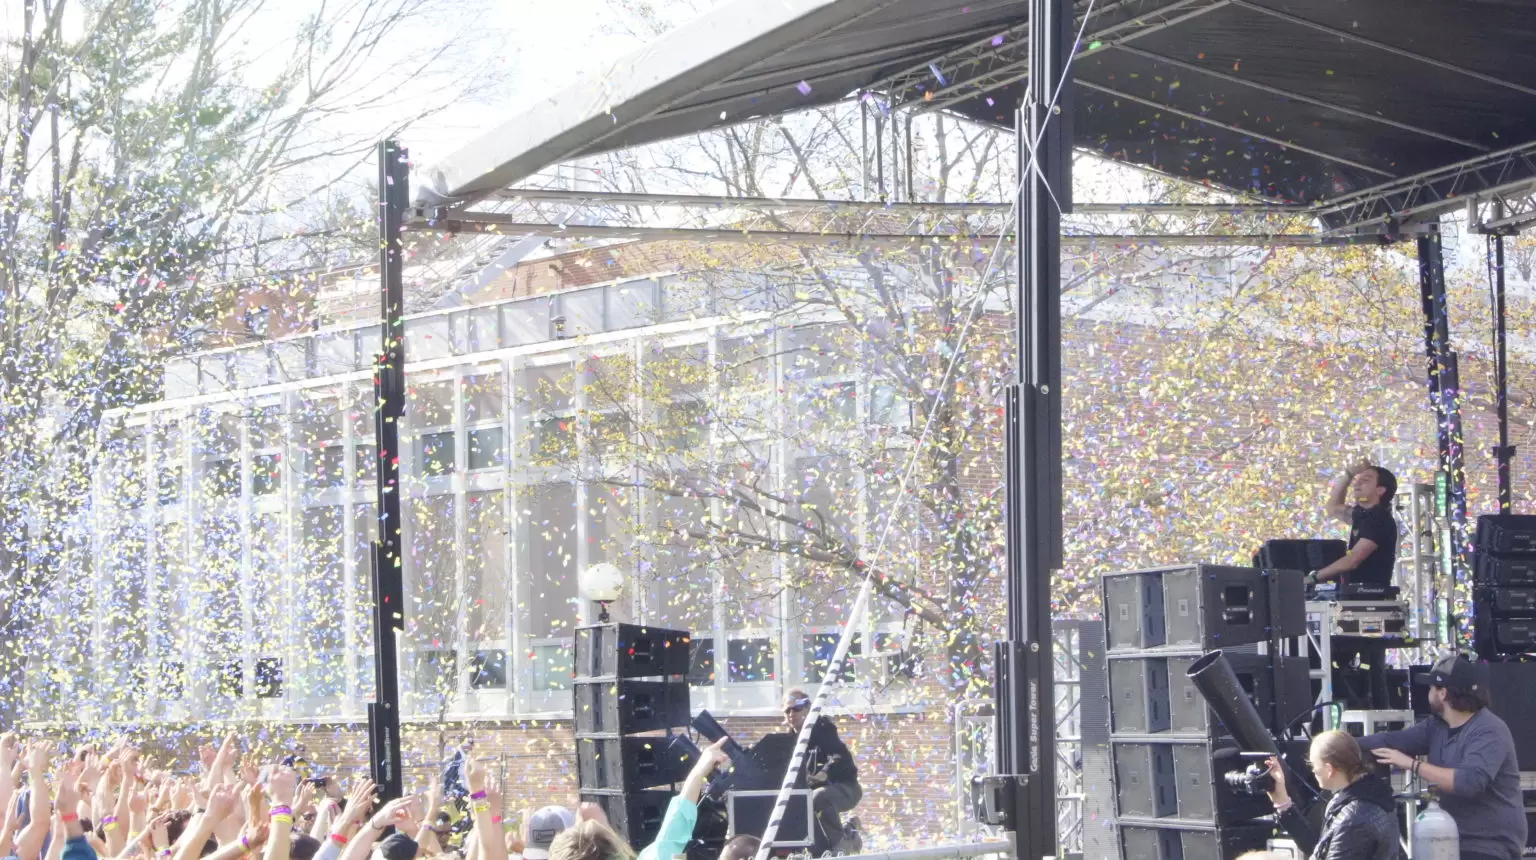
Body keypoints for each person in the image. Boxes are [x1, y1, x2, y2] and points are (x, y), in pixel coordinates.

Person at [1358, 653, 1525, 860]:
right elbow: (1392, 740)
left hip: (1488, 844)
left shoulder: (1489, 730)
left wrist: (1412, 764)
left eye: (1431, 688)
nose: (1428, 692)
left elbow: (1468, 782)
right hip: (1448, 839)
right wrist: (1341, 743)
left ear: (1442, 693)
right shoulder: (1436, 726)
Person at [1317, 461, 1399, 707]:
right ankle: (1356, 710)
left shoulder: (1380, 520)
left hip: (1372, 603)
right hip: (1356, 600)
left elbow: (1353, 560)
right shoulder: (1361, 516)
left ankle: (1368, 714)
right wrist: (1347, 474)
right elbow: (1332, 508)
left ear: (1381, 490)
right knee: (1338, 658)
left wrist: (1314, 576)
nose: (1358, 483)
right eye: (1358, 479)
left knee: (1366, 664)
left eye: (1366, 480)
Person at [1263, 730, 1399, 860]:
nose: (1313, 771)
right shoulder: (1376, 796)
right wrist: (1282, 802)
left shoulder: (1352, 818)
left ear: (1329, 770)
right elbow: (1322, 849)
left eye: (1313, 766)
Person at [781, 690, 861, 856]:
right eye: (787, 710)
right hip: (810, 794)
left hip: (846, 788)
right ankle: (846, 832)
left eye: (796, 709)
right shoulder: (788, 742)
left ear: (808, 708)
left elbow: (839, 755)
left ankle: (842, 842)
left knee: (818, 797)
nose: (791, 714)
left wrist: (825, 771)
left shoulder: (823, 729)